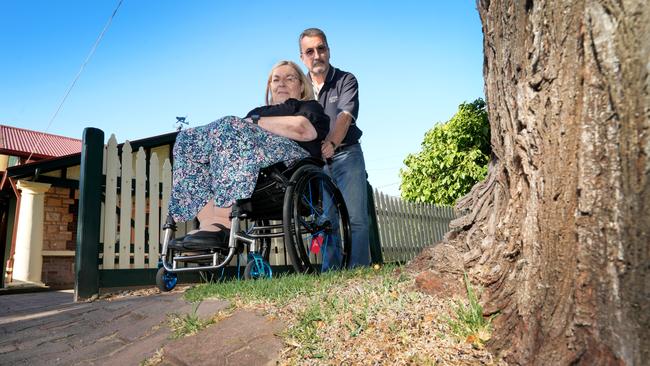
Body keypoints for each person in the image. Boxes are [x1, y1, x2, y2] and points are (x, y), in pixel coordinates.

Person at [167, 60, 329, 249]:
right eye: (276, 80)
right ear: (270, 87)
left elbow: (304, 130)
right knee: (187, 139)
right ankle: (208, 223)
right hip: (254, 173)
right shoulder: (258, 112)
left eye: (289, 78)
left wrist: (253, 123)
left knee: (230, 124)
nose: (281, 83)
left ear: (301, 85)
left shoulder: (308, 106)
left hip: (291, 164)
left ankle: (222, 222)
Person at [298, 28, 370, 268]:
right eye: (310, 51)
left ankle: (359, 270)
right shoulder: (300, 88)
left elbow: (345, 117)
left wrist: (331, 143)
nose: (316, 55)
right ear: (302, 57)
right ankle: (331, 272)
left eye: (321, 48)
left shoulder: (346, 80)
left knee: (356, 218)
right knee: (326, 219)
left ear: (328, 50)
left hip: (347, 155)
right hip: (316, 164)